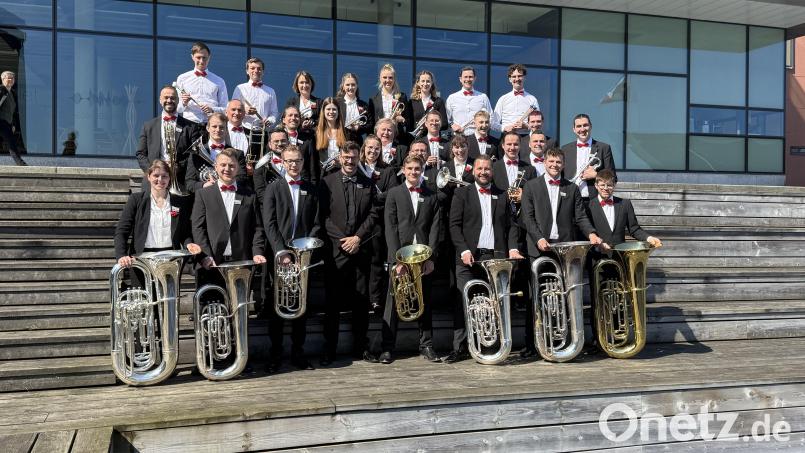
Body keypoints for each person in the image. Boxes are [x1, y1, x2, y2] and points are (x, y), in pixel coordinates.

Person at [520, 147, 603, 357]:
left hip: (563, 249)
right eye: (551, 162)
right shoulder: (531, 186)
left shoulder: (572, 188)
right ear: (545, 163)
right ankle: (533, 345)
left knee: (563, 296)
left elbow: (581, 216)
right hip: (539, 248)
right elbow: (528, 218)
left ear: (563, 164)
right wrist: (539, 237)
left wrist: (591, 234)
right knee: (536, 298)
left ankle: (562, 341)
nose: (554, 166)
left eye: (558, 162)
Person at [447, 154, 524, 363]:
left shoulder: (502, 195)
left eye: (487, 169)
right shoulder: (462, 193)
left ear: (492, 171)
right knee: (462, 301)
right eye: (480, 169)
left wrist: (513, 249)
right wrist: (463, 250)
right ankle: (460, 347)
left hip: (494, 257)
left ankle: (493, 345)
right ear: (474, 171)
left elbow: (512, 226)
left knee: (494, 302)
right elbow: (453, 225)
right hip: (467, 257)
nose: (483, 172)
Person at [318, 142, 380, 366]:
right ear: (340, 157)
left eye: (353, 157)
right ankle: (329, 349)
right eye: (346, 156)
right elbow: (323, 216)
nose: (350, 160)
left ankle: (360, 347)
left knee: (361, 303)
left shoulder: (368, 183)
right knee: (332, 303)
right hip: (336, 251)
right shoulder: (327, 183)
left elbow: (373, 214)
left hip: (360, 249)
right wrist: (342, 240)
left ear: (358, 157)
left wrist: (357, 238)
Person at [586, 169, 662, 349]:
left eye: (610, 185)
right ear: (596, 185)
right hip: (598, 260)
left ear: (614, 186)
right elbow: (585, 230)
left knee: (619, 299)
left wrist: (649, 238)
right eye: (602, 185)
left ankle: (617, 336)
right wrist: (596, 242)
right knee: (598, 300)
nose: (606, 188)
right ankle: (598, 340)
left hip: (620, 260)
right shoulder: (588, 205)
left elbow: (634, 229)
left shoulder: (625, 204)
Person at [261, 144, 320, 373]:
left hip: (302, 255)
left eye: (297, 161)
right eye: (289, 161)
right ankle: (275, 354)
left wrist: (308, 247)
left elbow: (316, 221)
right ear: (282, 163)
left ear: (303, 163)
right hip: (280, 256)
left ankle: (298, 352)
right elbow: (270, 223)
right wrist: (281, 251)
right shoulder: (273, 189)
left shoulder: (311, 189)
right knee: (279, 307)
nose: (293, 165)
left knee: (301, 307)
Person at [379, 154, 441, 364]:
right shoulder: (394, 193)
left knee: (425, 302)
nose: (414, 172)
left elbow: (435, 228)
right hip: (400, 258)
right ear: (404, 170)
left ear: (422, 170)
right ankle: (387, 348)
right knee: (394, 303)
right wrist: (397, 261)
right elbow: (390, 227)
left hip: (423, 258)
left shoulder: (431, 195)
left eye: (418, 168)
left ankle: (427, 345)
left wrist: (431, 257)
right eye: (411, 168)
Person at [191, 148, 267, 287]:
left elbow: (258, 228)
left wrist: (257, 252)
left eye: (232, 165)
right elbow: (198, 228)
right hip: (211, 262)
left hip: (241, 262)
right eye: (223, 165)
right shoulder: (203, 194)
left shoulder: (250, 196)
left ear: (237, 168)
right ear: (215, 167)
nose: (227, 169)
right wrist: (206, 255)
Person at [115, 160, 198, 271]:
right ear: (148, 177)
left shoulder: (179, 202)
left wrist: (189, 244)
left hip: (171, 259)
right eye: (156, 175)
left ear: (169, 179)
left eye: (164, 176)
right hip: (141, 259)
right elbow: (122, 231)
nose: (160, 180)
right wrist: (121, 255)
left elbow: (185, 232)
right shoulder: (136, 200)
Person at [359, 135, 399, 313]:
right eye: (370, 148)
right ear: (363, 149)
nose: (373, 151)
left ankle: (375, 299)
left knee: (376, 261)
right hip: (358, 221)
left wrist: (369, 195)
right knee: (360, 263)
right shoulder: (357, 168)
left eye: (377, 148)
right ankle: (360, 299)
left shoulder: (387, 170)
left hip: (377, 223)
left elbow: (391, 194)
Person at [136, 85, 200, 191]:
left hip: (180, 182)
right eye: (166, 97)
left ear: (178, 100)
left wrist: (178, 166)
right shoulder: (148, 126)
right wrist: (153, 171)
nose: (169, 100)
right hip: (153, 183)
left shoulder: (191, 127)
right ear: (160, 100)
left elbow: (194, 154)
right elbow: (140, 154)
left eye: (172, 97)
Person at [185, 113, 248, 194]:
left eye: (222, 127)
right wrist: (204, 185)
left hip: (229, 195)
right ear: (208, 128)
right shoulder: (195, 153)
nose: (218, 130)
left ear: (226, 129)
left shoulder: (238, 154)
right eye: (214, 126)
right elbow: (189, 183)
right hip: (204, 199)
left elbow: (242, 179)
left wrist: (223, 182)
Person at [560, 114, 617, 201]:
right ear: (574, 129)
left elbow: (613, 178)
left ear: (590, 126)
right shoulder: (565, 149)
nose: (582, 129)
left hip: (595, 200)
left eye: (585, 125)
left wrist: (596, 175)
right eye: (579, 126)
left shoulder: (604, 148)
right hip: (571, 199)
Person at [175, 42, 228, 125]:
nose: (201, 61)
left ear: (209, 58)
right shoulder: (182, 78)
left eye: (204, 58)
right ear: (192, 57)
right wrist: (184, 103)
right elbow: (178, 109)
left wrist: (212, 109)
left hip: (211, 125)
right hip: (188, 124)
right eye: (198, 57)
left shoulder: (219, 81)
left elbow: (226, 109)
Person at [304, 97, 346, 186]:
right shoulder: (315, 133)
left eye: (334, 109)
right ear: (323, 111)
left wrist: (341, 162)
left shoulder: (346, 133)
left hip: (342, 175)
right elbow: (312, 160)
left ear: (338, 111)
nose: (331, 112)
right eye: (328, 109)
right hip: (322, 177)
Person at [231, 57, 278, 131]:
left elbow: (274, 112)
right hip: (244, 130)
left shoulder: (271, 91)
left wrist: (270, 121)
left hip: (263, 131)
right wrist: (244, 110)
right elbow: (232, 109)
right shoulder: (240, 88)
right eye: (252, 68)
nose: (256, 71)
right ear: (247, 71)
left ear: (263, 72)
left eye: (259, 69)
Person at [369, 64, 411, 145]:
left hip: (398, 138)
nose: (387, 80)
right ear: (380, 79)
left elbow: (408, 120)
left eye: (390, 78)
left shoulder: (402, 97)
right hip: (380, 138)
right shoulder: (373, 100)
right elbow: (372, 124)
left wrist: (402, 119)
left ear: (394, 79)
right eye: (385, 77)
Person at [445, 66, 493, 137]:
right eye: (465, 77)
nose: (468, 79)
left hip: (478, 137)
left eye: (470, 77)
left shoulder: (483, 97)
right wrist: (452, 125)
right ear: (460, 79)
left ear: (474, 79)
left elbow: (491, 116)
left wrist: (484, 127)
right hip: (459, 137)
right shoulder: (452, 98)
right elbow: (446, 118)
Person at [493, 64, 539, 134]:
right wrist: (505, 128)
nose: (517, 79)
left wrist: (526, 126)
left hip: (525, 138)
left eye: (520, 76)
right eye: (514, 76)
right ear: (510, 79)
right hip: (507, 136)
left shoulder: (532, 99)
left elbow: (537, 123)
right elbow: (493, 123)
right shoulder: (503, 99)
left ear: (524, 78)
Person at [253, 127, 289, 207]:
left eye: (283, 141)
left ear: (288, 142)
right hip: (272, 208)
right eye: (276, 141)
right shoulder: (261, 166)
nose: (280, 144)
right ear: (270, 144)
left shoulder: (297, 161)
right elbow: (261, 194)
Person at [407, 70, 448, 137]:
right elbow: (409, 124)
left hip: (434, 137)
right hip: (417, 140)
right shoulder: (412, 102)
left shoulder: (438, 101)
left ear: (431, 83)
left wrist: (428, 125)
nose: (425, 84)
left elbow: (445, 124)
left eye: (428, 81)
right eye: (423, 81)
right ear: (418, 83)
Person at [336, 73, 373, 144]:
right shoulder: (337, 103)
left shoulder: (363, 105)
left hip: (357, 142)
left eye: (353, 85)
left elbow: (370, 124)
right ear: (343, 87)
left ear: (356, 86)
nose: (350, 87)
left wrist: (358, 127)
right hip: (340, 141)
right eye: (347, 85)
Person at [0, 71, 26, 166]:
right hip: (1, 121)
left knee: (11, 142)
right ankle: (20, 163)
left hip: (7, 122)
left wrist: (13, 124)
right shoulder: (1, 90)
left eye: (12, 78)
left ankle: (20, 162)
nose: (10, 80)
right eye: (8, 78)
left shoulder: (12, 93)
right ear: (3, 79)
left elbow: (13, 112)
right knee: (12, 142)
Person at [285, 70, 320, 136]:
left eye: (307, 82)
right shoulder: (291, 102)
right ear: (297, 85)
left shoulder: (319, 102)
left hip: (314, 139)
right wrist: (300, 124)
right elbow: (285, 120)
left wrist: (313, 122)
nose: (304, 85)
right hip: (295, 138)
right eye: (301, 82)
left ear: (311, 84)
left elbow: (323, 121)